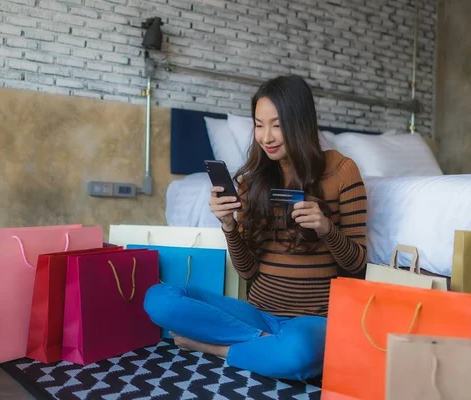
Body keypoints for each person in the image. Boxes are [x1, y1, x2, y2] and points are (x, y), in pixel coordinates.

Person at [144, 75, 367, 381]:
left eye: (277, 125)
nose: (267, 137)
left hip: (314, 322)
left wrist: (327, 227)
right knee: (159, 299)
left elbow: (358, 265)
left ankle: (212, 348)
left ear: (300, 123)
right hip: (257, 315)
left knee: (299, 351)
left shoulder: (342, 171)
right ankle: (265, 347)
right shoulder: (253, 182)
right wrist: (228, 226)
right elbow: (247, 271)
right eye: (259, 125)